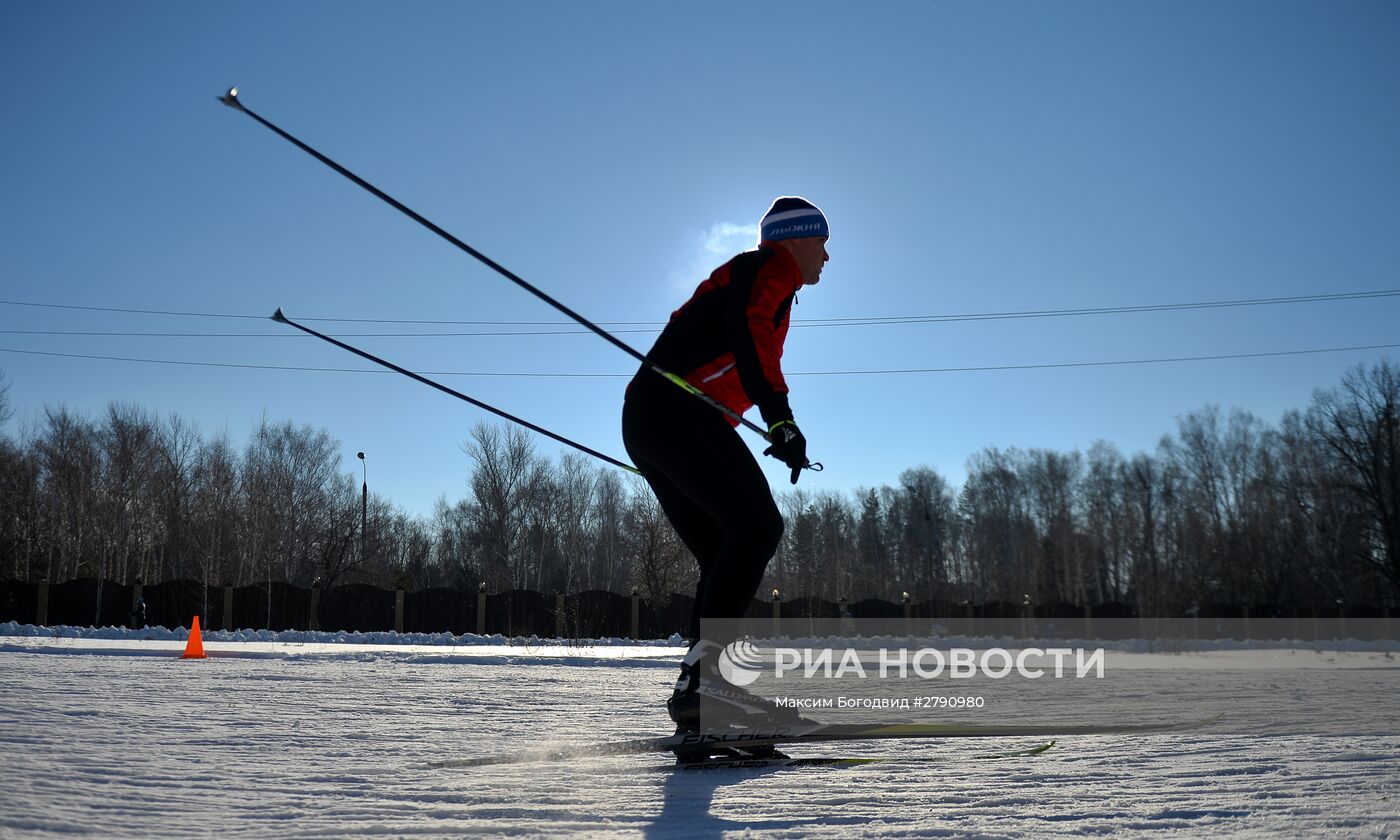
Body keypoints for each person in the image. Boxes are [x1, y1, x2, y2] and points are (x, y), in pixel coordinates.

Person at [622, 196, 829, 739]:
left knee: (724, 552)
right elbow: (750, 330)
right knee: (759, 527)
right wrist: (780, 420)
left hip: (652, 418)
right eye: (823, 242)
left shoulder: (763, 275)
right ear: (797, 238)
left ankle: (700, 694)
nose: (827, 256)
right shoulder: (769, 269)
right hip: (675, 411)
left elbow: (739, 346)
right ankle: (706, 684)